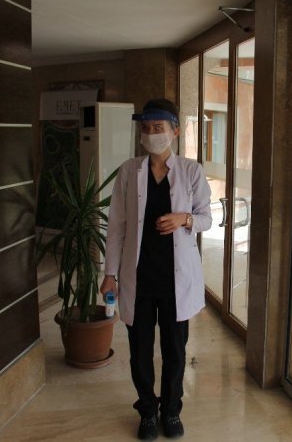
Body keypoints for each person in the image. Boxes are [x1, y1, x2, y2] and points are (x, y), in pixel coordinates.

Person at [100, 99, 212, 440]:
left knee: (175, 351)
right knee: (140, 351)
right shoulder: (129, 171)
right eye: (146, 128)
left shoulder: (191, 171)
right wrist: (110, 274)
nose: (151, 134)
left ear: (175, 131)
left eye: (158, 128)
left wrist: (184, 218)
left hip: (177, 279)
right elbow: (117, 226)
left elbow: (206, 218)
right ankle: (148, 411)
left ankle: (172, 410)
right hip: (139, 277)